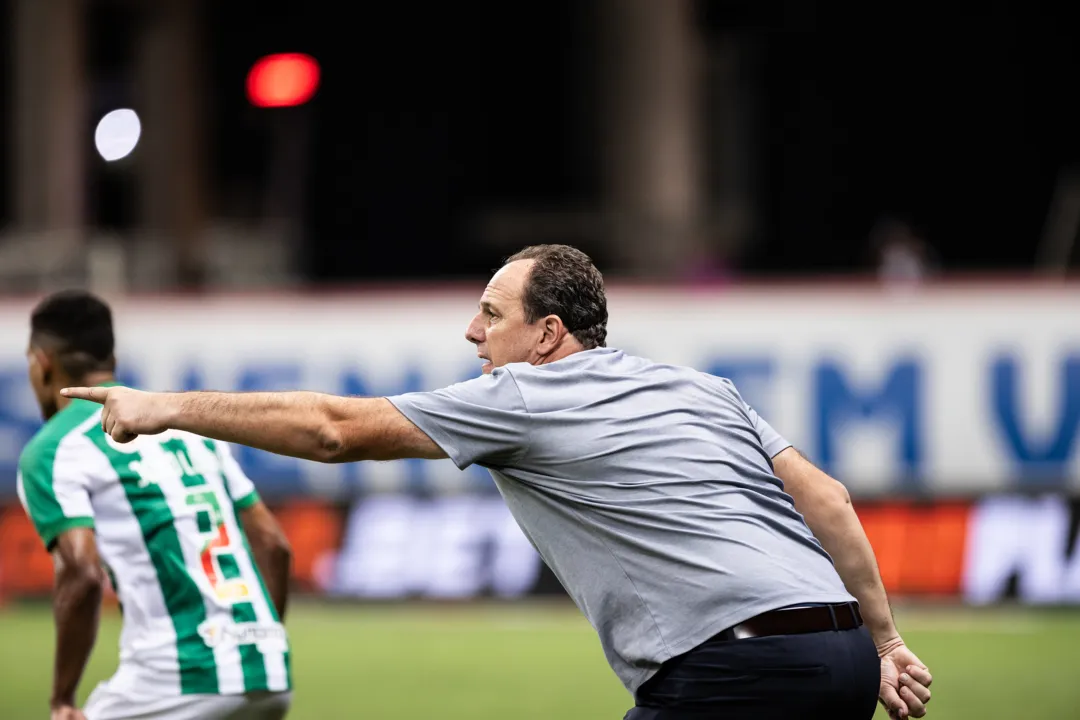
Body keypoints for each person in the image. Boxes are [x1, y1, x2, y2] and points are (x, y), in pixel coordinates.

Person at [65, 245, 933, 720]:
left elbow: (333, 430)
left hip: (730, 672)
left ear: (549, 334)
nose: (471, 331)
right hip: (846, 654)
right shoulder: (704, 387)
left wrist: (167, 405)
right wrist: (885, 644)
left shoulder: (525, 394)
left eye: (491, 313)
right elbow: (829, 501)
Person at [18, 290, 294, 720]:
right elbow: (274, 544)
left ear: (42, 362)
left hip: (173, 679)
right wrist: (259, 645)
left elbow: (83, 574)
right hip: (270, 675)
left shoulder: (54, 449)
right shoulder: (186, 428)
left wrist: (62, 698)